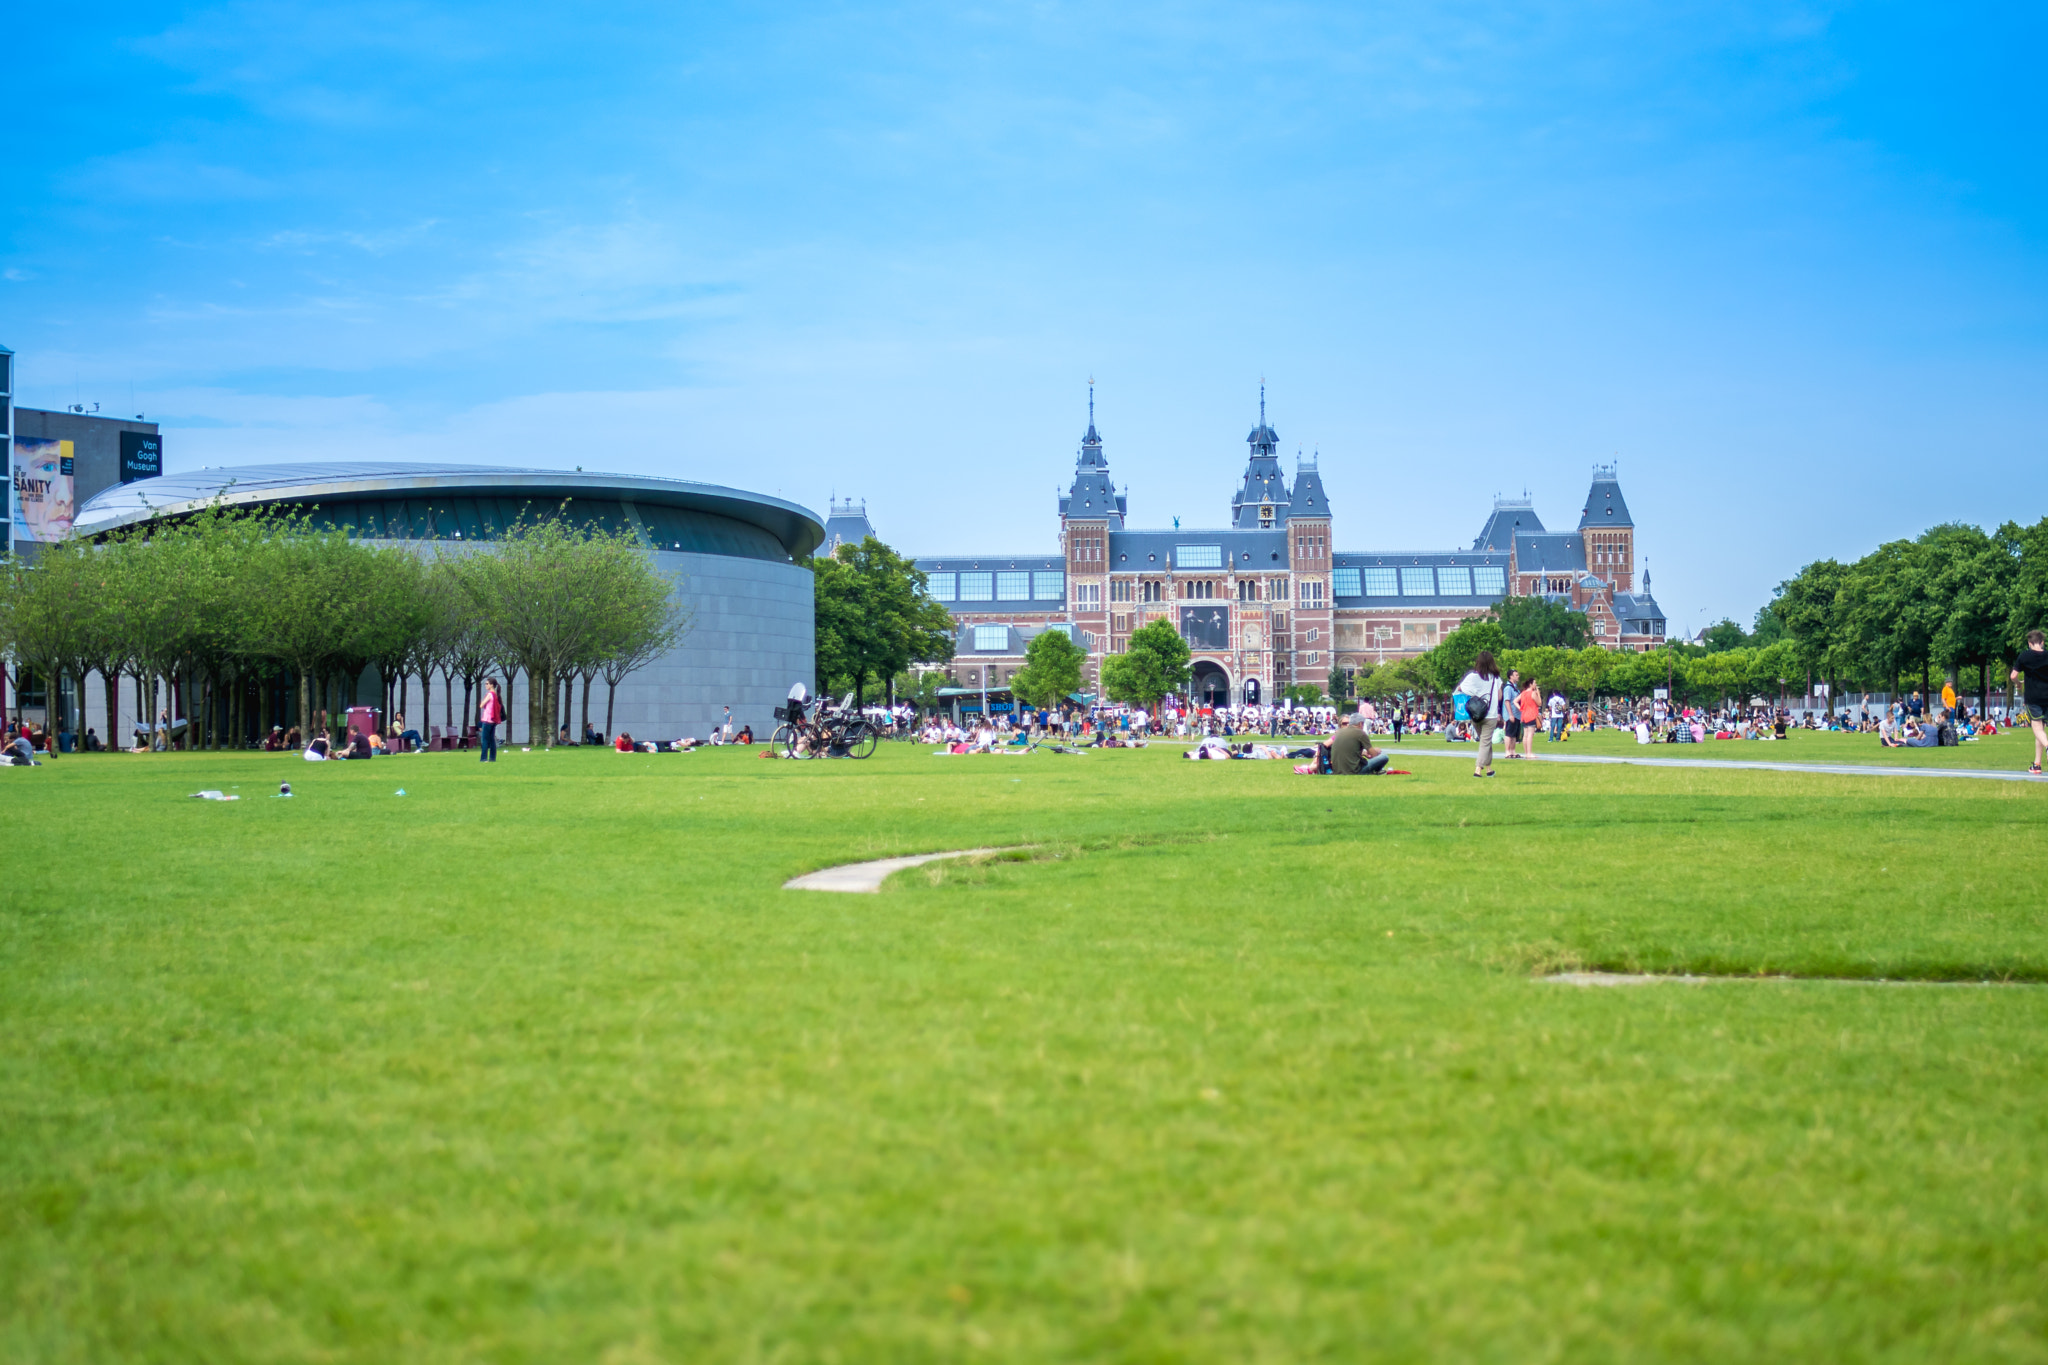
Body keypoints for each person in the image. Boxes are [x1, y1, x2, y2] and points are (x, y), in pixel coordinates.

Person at [1458, 650, 1506, 777]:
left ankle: (1489, 769)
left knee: (1485, 742)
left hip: (1476, 714)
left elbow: (1460, 688)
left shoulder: (1472, 676)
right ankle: (1478, 769)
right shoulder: (1496, 678)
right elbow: (1500, 696)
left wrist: (1476, 692)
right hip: (1490, 715)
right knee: (1485, 742)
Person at [2009, 629, 2048, 776]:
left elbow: (2013, 675)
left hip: (2033, 698)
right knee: (2041, 731)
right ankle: (2037, 764)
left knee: (2037, 728)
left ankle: (2047, 746)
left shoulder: (2025, 656)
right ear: (2042, 642)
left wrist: (2018, 683)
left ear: (2029, 643)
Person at [477, 679, 504, 763]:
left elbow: (481, 705)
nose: (486, 685)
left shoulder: (489, 694)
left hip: (487, 720)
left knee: (484, 740)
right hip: (493, 721)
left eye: (487, 683)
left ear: (492, 685)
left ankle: (483, 758)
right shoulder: (495, 695)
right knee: (492, 739)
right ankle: (492, 758)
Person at [1516, 675, 1541, 759]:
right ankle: (1529, 753)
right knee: (1530, 734)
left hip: (1524, 715)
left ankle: (1527, 752)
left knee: (1525, 735)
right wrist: (1539, 694)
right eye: (1534, 683)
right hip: (1532, 714)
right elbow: (1539, 703)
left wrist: (1521, 709)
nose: (1535, 685)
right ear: (1531, 684)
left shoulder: (1523, 693)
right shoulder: (1532, 693)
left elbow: (1515, 701)